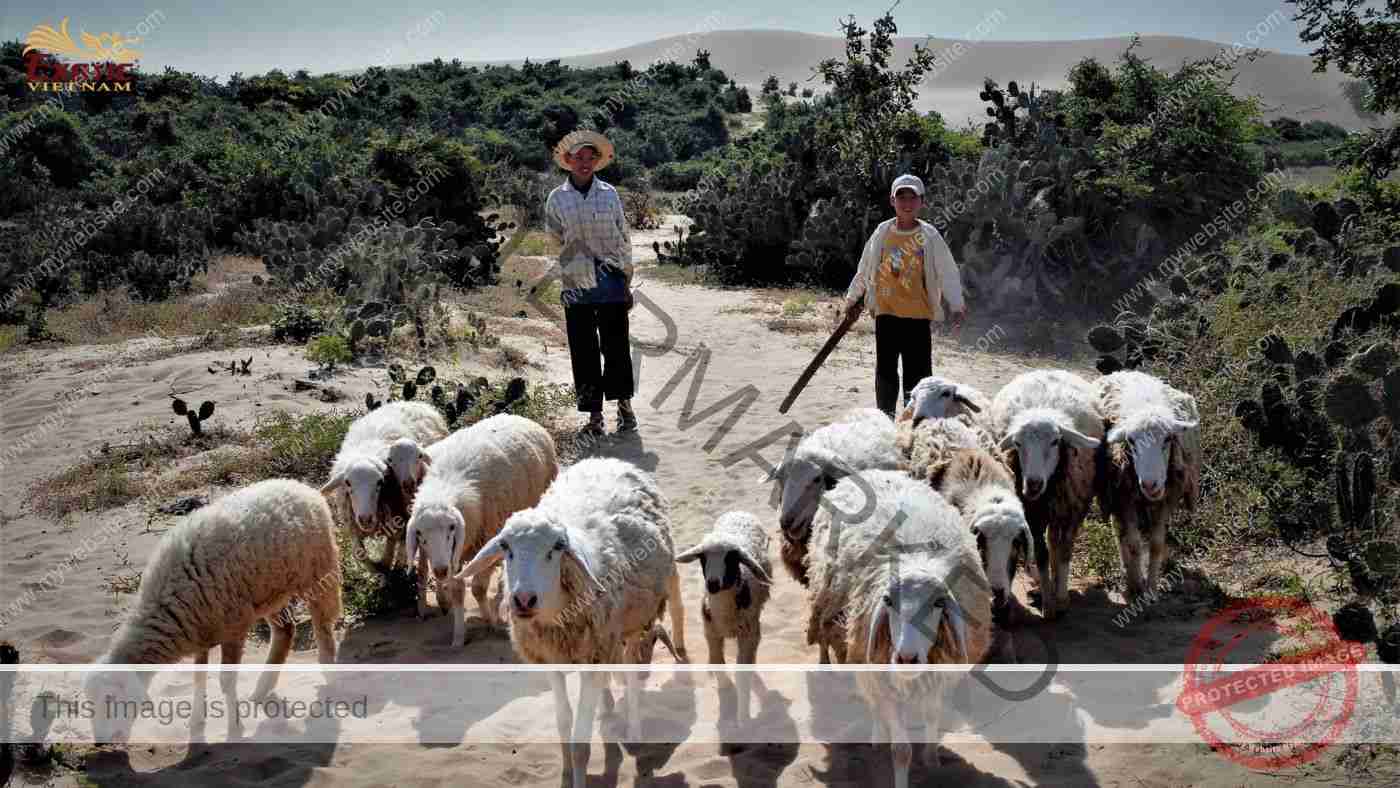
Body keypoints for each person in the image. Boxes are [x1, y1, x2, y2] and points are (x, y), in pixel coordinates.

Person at [838, 173, 967, 418]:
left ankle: (915, 422)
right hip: (886, 314)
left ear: (921, 202)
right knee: (885, 371)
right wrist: (852, 298)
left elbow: (947, 271)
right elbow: (865, 268)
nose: (907, 203)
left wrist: (957, 304)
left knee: (917, 376)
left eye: (912, 198)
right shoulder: (882, 232)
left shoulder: (929, 236)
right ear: (892, 201)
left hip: (917, 317)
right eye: (901, 197)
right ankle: (885, 420)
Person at [544, 129, 637, 435]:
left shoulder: (609, 194)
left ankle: (625, 408)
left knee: (616, 348)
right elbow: (554, 241)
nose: (584, 163)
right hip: (576, 285)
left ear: (597, 161)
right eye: (578, 157)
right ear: (568, 161)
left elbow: (623, 237)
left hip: (611, 281)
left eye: (590, 157)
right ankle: (594, 417)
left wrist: (626, 279)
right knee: (583, 351)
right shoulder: (557, 199)